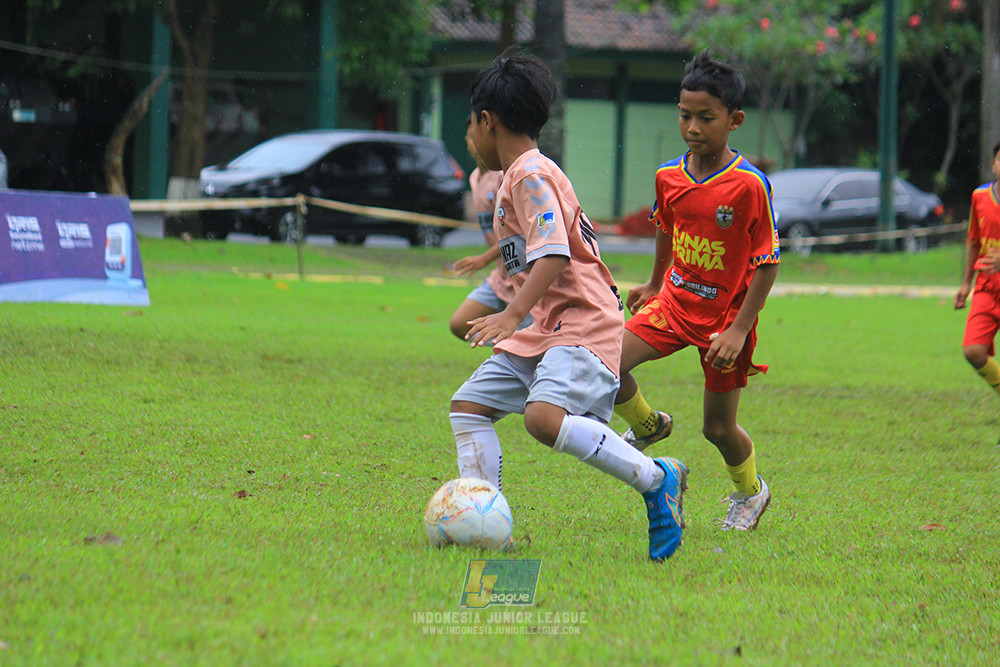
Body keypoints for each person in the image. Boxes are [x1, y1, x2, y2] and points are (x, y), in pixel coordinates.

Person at [448, 51, 689, 562]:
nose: (470, 134)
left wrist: (510, 314)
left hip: (582, 323)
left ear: (487, 121)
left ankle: (656, 478)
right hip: (547, 326)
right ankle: (488, 523)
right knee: (468, 408)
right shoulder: (524, 172)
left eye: (472, 123)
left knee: (542, 418)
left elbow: (554, 253)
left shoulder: (526, 176)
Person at [612, 50, 780, 532]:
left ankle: (751, 491)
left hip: (726, 321)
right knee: (606, 361)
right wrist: (654, 280)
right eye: (685, 116)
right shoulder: (669, 175)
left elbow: (767, 263)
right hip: (674, 302)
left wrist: (739, 328)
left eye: (706, 118)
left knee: (717, 429)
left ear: (735, 120)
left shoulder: (749, 185)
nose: (693, 127)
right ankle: (648, 425)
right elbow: (666, 226)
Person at [448, 119, 530, 340]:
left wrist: (484, 258)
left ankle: (518, 350)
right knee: (460, 324)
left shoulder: (503, 177)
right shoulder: (475, 178)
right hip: (500, 276)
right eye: (470, 137)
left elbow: (519, 232)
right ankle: (514, 347)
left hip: (523, 277)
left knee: (530, 342)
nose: (474, 142)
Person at [955, 141, 1000, 417]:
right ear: (993, 164)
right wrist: (965, 284)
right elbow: (974, 241)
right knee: (973, 351)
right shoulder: (980, 197)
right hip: (986, 288)